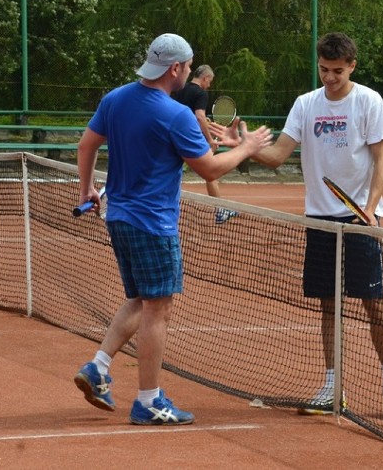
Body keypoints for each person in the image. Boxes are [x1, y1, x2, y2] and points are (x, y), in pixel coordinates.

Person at [73, 33, 272, 426]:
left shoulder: (115, 99)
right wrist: (246, 149)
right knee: (158, 310)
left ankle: (98, 366)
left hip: (118, 217)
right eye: (188, 65)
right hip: (153, 224)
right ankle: (148, 400)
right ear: (176, 69)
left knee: (142, 299)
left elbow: (86, 145)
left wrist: (87, 188)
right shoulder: (174, 114)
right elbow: (210, 169)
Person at [209, 32, 383, 420]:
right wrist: (244, 147)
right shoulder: (306, 105)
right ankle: (334, 386)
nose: (329, 77)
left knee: (373, 304)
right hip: (319, 219)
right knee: (328, 304)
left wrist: (369, 209)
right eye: (323, 69)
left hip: (359, 220)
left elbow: (381, 160)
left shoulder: (369, 102)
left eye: (337, 71)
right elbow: (277, 155)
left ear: (352, 66)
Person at [172, 64, 238, 224]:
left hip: (174, 134)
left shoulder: (181, 88)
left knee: (169, 171)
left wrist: (204, 124)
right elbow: (199, 116)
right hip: (191, 138)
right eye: (210, 81)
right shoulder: (201, 93)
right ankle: (221, 210)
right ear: (205, 78)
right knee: (211, 171)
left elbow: (187, 114)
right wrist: (209, 140)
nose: (209, 85)